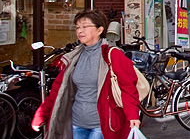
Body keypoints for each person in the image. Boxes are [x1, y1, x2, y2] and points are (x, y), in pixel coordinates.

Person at [32, 9, 141, 139]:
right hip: (77, 123)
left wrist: (132, 115)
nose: (79, 31)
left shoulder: (113, 55)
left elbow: (127, 88)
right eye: (77, 27)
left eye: (85, 26)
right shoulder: (73, 57)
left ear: (99, 30)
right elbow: (58, 90)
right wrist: (41, 115)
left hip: (102, 125)